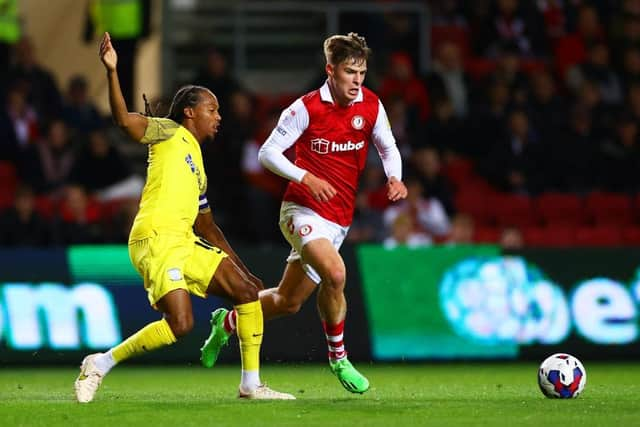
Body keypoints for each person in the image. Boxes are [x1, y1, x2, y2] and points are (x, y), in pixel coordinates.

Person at [74, 32, 294, 403]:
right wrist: (112, 72)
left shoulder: (199, 169)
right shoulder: (167, 130)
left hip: (184, 241)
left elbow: (206, 226)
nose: (218, 116)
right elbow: (124, 122)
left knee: (245, 292)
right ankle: (101, 363)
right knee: (181, 325)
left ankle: (251, 385)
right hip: (156, 237)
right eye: (213, 109)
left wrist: (242, 269)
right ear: (190, 111)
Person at [200, 33, 408, 394]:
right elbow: (268, 153)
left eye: (361, 72)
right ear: (331, 70)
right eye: (349, 72)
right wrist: (306, 177)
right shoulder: (305, 108)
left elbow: (388, 147)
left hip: (338, 220)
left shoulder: (371, 105)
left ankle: (228, 322)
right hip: (302, 209)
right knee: (337, 273)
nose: (357, 81)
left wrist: (395, 178)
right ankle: (339, 358)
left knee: (287, 301)